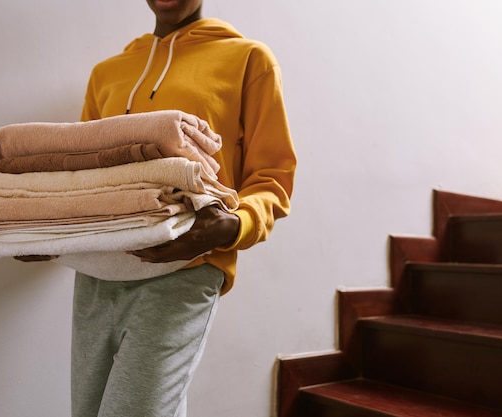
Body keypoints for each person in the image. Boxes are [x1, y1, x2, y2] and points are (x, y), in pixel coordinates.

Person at [19, 1, 296, 416]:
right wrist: (52, 230)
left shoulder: (248, 59)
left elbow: (273, 174)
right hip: (97, 273)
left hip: (182, 269)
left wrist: (234, 225)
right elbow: (81, 173)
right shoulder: (107, 73)